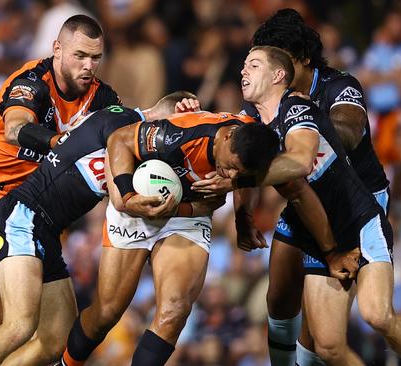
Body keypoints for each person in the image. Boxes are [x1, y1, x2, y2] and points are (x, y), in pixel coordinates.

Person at [193, 9, 390, 365]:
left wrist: (308, 127)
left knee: (322, 333)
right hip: (307, 197)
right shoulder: (265, 101)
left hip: (355, 200)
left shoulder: (337, 86)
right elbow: (246, 158)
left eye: (270, 59)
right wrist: (242, 214)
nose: (259, 69)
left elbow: (350, 129)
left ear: (297, 59)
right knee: (279, 295)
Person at [233, 46, 401, 365]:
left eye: (253, 65)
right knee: (327, 347)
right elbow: (296, 192)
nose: (243, 71)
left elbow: (299, 163)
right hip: (321, 234)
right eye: (243, 65)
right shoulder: (258, 124)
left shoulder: (297, 108)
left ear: (278, 75)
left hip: (359, 222)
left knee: (377, 315)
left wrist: (243, 178)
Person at [0, 92, 194, 366]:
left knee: (56, 340)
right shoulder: (123, 121)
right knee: (18, 325)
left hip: (45, 231)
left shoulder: (133, 145)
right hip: (20, 216)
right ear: (168, 117)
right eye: (178, 130)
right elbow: (122, 201)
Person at [0, 15, 120, 366]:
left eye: (96, 57)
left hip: (32, 211)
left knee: (56, 336)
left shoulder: (100, 96)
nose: (88, 66)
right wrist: (62, 143)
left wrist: (174, 110)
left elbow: (130, 128)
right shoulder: (30, 81)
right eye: (80, 55)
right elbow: (15, 129)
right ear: (57, 49)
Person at [62, 112, 280, 366]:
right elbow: (119, 140)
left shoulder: (251, 139)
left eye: (238, 172)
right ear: (227, 136)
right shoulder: (180, 135)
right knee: (106, 314)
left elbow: (244, 180)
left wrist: (243, 218)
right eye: (230, 165)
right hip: (140, 202)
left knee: (174, 310)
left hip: (187, 218)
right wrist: (128, 195)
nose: (230, 175)